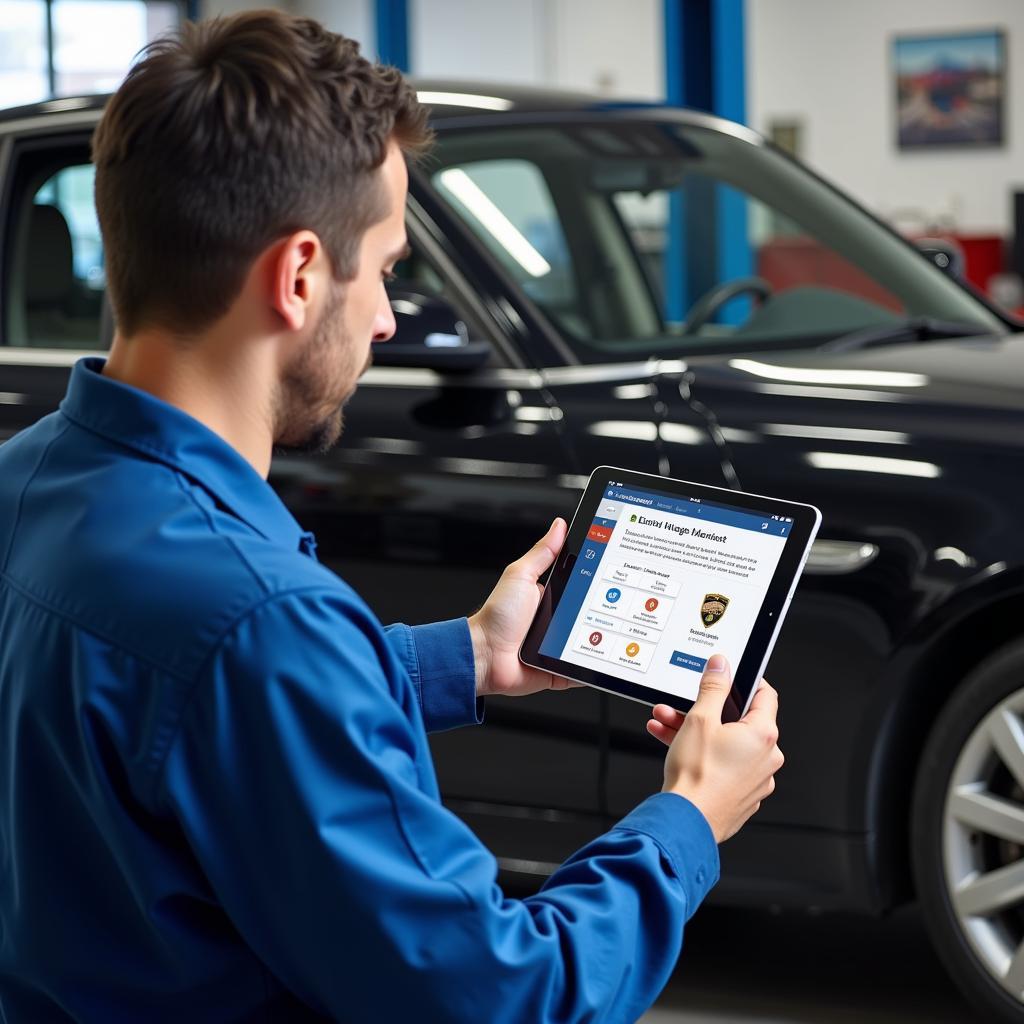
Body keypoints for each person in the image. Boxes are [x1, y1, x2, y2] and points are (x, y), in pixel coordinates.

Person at [0, 11, 783, 1023]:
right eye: (382, 269)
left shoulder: (26, 480)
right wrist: (687, 817)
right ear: (295, 278)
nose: (384, 316)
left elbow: (175, 714)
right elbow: (503, 994)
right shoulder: (260, 620)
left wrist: (460, 658)